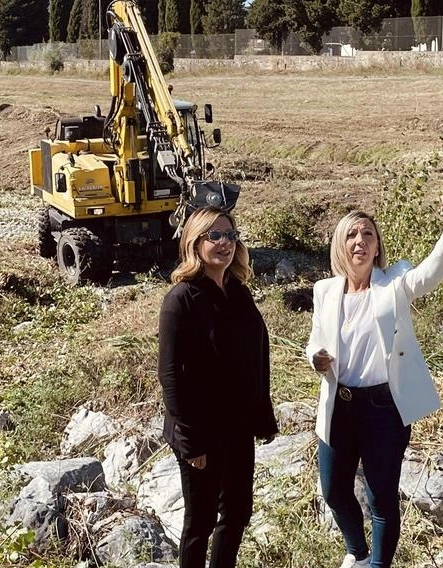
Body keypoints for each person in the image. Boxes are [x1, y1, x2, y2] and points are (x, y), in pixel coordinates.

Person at [305, 198, 443, 568]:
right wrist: (315, 357)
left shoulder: (394, 281)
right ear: (340, 245)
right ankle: (358, 553)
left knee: (381, 499)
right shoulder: (325, 291)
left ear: (377, 245)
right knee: (333, 491)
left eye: (367, 234)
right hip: (339, 405)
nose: (360, 240)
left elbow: (428, 275)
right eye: (351, 234)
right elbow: (316, 339)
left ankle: (379, 565)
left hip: (383, 407)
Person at [157, 206, 280, 568]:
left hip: (237, 426)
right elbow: (171, 376)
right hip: (200, 431)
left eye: (230, 235)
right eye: (215, 235)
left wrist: (263, 414)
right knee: (201, 521)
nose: (225, 242)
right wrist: (192, 440)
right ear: (195, 242)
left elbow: (256, 354)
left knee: (239, 511)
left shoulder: (238, 292)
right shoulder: (181, 299)